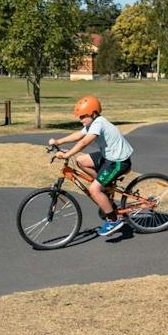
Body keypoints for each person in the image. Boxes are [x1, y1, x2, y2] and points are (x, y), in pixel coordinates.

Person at [46, 94, 134, 237]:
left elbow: (84, 142)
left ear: (93, 113)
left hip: (118, 161)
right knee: (81, 161)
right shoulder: (93, 123)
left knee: (93, 189)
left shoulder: (99, 123)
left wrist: (67, 155)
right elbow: (78, 136)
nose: (80, 120)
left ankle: (114, 220)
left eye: (82, 116)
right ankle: (104, 187)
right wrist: (58, 142)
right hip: (108, 157)